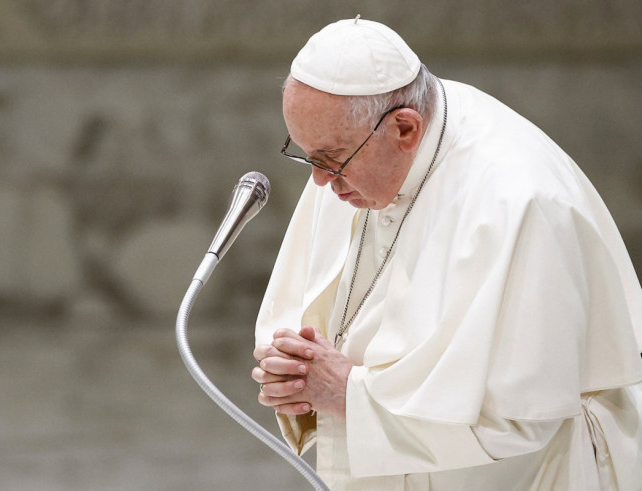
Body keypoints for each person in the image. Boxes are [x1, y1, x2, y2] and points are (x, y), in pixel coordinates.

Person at [251, 16, 642, 490]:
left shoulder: (520, 203)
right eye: (306, 155)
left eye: (332, 160)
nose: (319, 182)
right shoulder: (355, 155)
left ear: (406, 128)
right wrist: (295, 372)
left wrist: (345, 393)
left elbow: (515, 420)